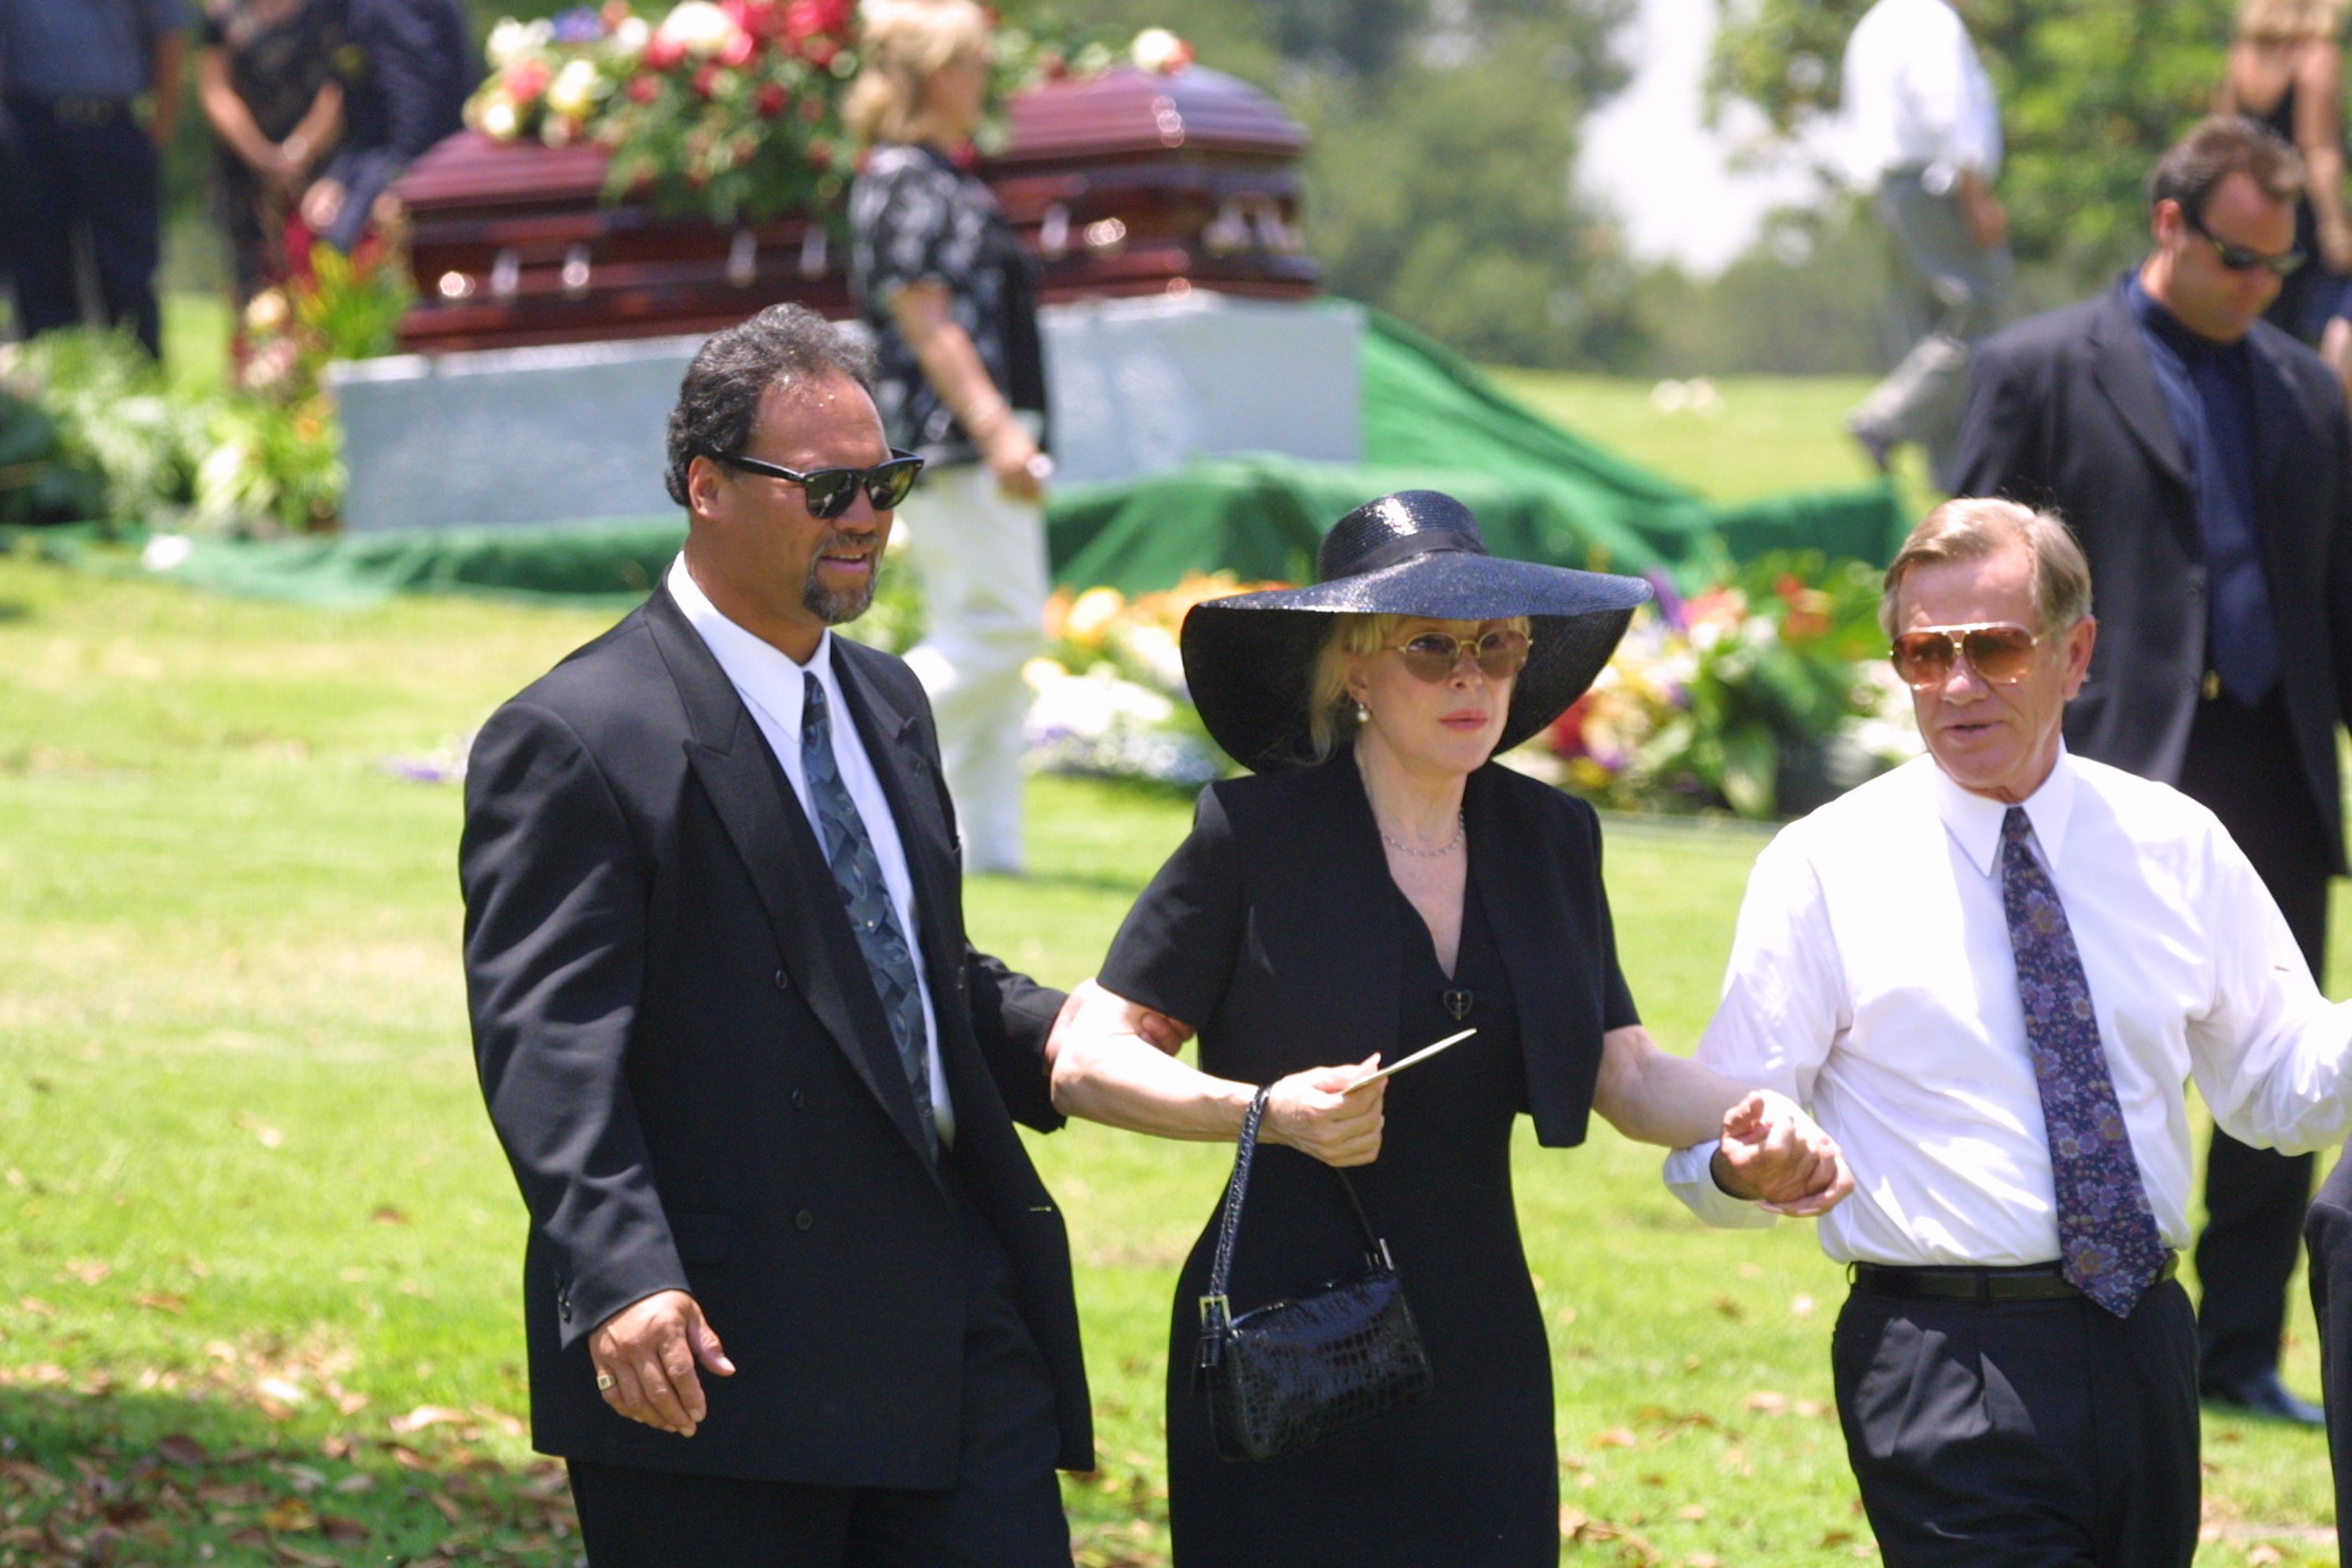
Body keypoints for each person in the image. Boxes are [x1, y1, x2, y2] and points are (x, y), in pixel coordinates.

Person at [1048, 491, 1853, 1567]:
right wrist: (1264, 1115)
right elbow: (1087, 1063)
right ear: (1356, 671)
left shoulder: (1551, 836)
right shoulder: (1251, 835)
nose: (1471, 676)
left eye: (1497, 646)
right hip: (1283, 1333)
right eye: (1429, 648)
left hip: (1481, 1335)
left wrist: (1756, 1123)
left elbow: (1626, 1070)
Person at [460, 304, 1092, 1566]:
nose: (866, 517)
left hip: (949, 1322)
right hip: (712, 1355)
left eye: (885, 483)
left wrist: (1073, 1029)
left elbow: (906, 969)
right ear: (706, 486)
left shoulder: (891, 701)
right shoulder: (579, 737)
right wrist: (624, 1276)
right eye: (828, 488)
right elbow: (553, 1050)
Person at [1666, 497, 2352, 1566]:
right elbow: (1718, 1128)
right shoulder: (1824, 865)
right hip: (1945, 1359)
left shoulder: (2176, 845)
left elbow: (2279, 1087)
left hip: (2144, 1348)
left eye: (1993, 647)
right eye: (1923, 654)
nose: (1955, 685)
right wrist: (1744, 1168)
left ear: (2075, 654)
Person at [1950, 114, 2352, 1426]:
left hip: (2274, 761)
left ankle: (2239, 1351)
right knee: (2090, 1052)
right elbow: (1961, 586)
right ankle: (2087, 1307)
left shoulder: (2303, 389)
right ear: (2170, 225)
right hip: (2103, 762)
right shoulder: (2039, 367)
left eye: (2281, 271)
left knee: (2275, 1052)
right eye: (2239, 259)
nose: (2260, 289)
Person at [847, 0, 1051, 877]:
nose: (984, 82)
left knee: (988, 649)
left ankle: (984, 853)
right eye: (973, 65)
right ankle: (861, 756)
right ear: (936, 74)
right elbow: (927, 322)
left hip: (972, 432)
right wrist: (998, 428)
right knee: (1004, 628)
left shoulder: (937, 174)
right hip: (956, 437)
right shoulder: (905, 178)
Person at [1837, 0, 2013, 485]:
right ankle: (1884, 419)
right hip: (1938, 187)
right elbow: (1944, 108)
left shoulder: (1877, 21)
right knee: (1978, 316)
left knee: (1929, 334)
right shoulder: (1931, 20)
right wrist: (1975, 192)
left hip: (1894, 190)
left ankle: (1952, 481)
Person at [0, 0, 188, 357]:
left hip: (113, 126)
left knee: (128, 276)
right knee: (40, 277)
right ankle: (55, 391)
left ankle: (141, 391)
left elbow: (169, 36)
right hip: (32, 132)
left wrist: (160, 128)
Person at [2216, 0, 2352, 394]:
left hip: (2247, 214)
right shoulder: (2315, 56)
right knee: (2327, 327)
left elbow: (2224, 137)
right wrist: (2335, 227)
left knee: (2256, 329)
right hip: (2297, 217)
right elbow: (2318, 149)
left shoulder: (2244, 53)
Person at [196, 0, 344, 308]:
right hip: (245, 183)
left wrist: (300, 148)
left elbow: (339, 86)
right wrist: (261, 155)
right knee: (254, 295)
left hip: (321, 177)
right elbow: (215, 90)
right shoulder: (224, 14)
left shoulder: (331, 9)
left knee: (322, 286)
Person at [299, 0, 470, 255]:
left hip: (434, 165)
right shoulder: (348, 9)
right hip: (383, 155)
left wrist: (394, 185)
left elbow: (419, 115)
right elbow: (367, 119)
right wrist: (337, 178)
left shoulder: (390, 7)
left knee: (340, 250)